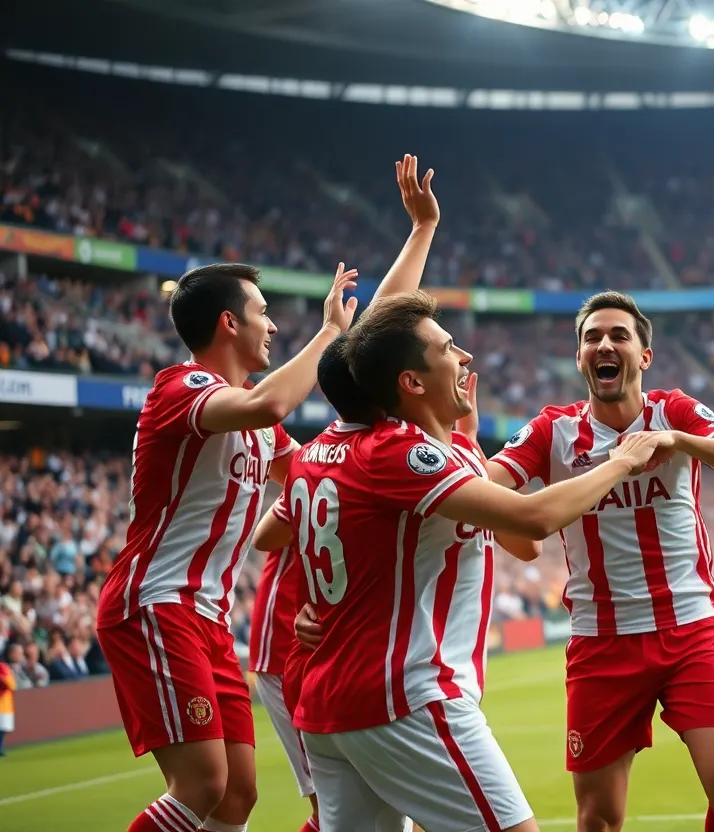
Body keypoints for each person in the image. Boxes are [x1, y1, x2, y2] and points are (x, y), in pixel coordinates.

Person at [260, 291, 663, 832]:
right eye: (448, 348)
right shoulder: (400, 452)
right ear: (411, 382)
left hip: (331, 705)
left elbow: (274, 533)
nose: (465, 358)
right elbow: (534, 523)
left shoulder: (322, 454)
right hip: (406, 695)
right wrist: (621, 461)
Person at [483, 292, 714, 832]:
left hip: (691, 629)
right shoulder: (553, 431)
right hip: (601, 642)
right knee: (598, 818)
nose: (604, 344)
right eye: (591, 337)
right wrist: (513, 525)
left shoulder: (675, 411)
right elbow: (480, 491)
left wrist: (676, 438)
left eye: (619, 335)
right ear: (579, 359)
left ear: (644, 356)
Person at [94, 253, 360, 832]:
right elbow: (269, 401)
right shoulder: (182, 388)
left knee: (237, 795)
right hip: (155, 602)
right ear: (228, 324)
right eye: (262, 313)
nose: (271, 326)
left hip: (208, 618)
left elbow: (318, 476)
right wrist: (330, 333)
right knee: (202, 783)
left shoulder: (260, 427)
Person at [247, 153, 443, 832]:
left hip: (326, 638)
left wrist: (421, 233)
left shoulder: (345, 445)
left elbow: (378, 328)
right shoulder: (364, 451)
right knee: (338, 812)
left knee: (367, 814)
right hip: (301, 639)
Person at [0, 654, 14, 757]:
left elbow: (11, 684)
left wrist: (2, 679)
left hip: (4, 703)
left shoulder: (4, 668)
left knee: (3, 728)